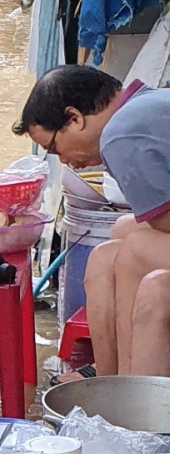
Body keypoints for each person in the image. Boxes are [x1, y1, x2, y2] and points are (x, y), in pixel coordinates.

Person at [14, 67, 170, 377]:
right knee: (113, 242)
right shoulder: (144, 105)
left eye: (54, 148)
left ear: (74, 118)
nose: (64, 161)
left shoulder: (119, 133)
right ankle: (108, 377)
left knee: (136, 247)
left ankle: (128, 392)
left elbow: (164, 221)